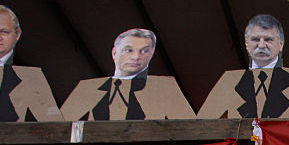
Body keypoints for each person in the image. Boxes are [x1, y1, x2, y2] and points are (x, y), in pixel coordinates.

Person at [197, 14, 289, 119]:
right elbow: (199, 126)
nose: (261, 45)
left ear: (281, 44)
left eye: (268, 39)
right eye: (255, 39)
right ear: (246, 44)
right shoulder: (229, 80)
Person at [60, 28, 195, 121]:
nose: (136, 57)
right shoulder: (88, 88)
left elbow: (193, 128)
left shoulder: (164, 86)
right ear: (114, 53)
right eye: (129, 50)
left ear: (151, 54)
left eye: (144, 51)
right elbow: (58, 127)